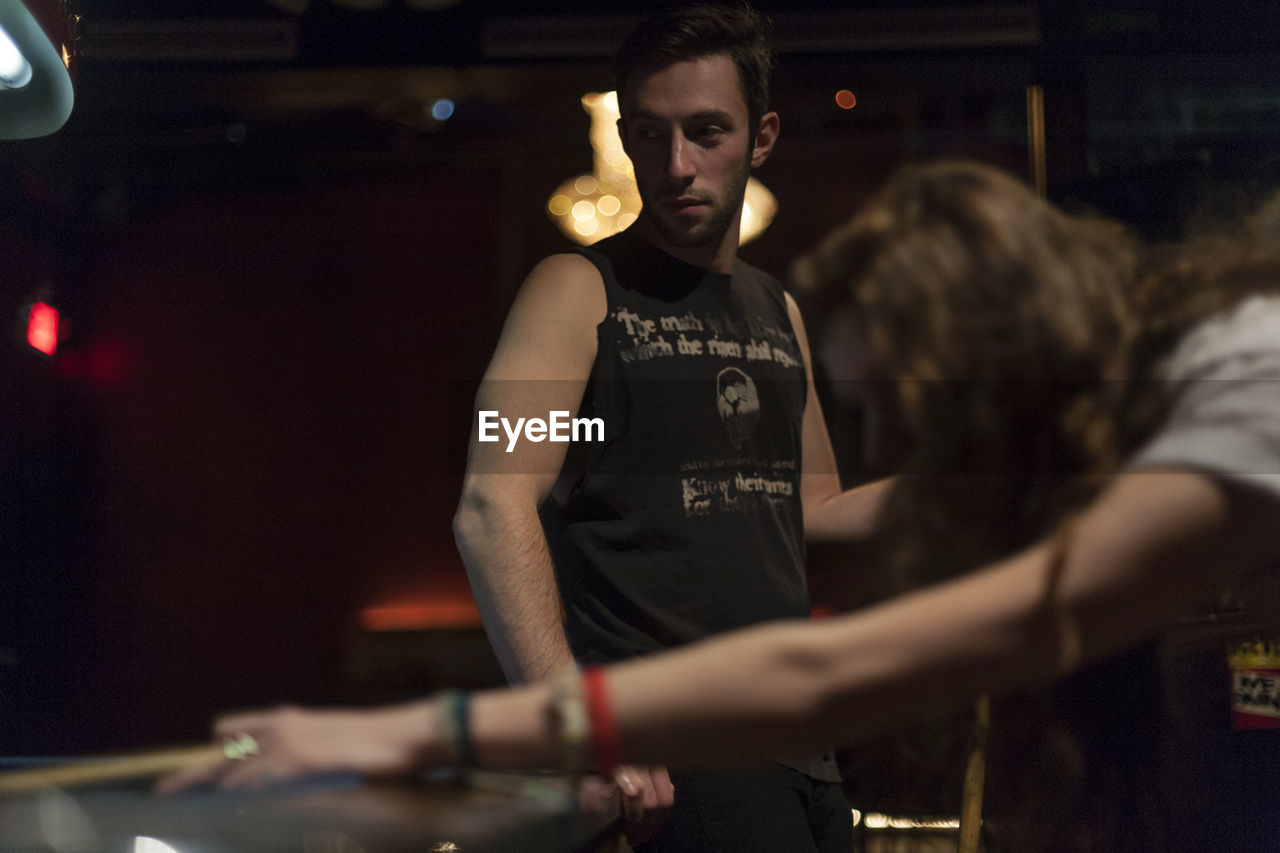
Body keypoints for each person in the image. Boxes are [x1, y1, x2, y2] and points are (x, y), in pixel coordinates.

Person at [162, 163, 1280, 849]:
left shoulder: (1212, 398)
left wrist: (404, 730)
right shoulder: (573, 294)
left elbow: (820, 639)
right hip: (694, 748)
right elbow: (491, 500)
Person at [449, 4, 884, 850]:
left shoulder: (777, 310)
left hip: (798, 753)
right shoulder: (573, 289)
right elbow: (489, 505)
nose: (676, 165)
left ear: (761, 138)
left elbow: (816, 510)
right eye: (649, 134)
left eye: (706, 132)